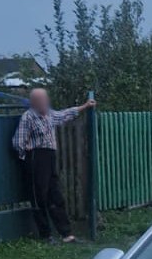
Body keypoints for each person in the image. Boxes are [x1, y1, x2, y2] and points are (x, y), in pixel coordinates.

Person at [13, 88, 96, 243]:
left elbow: (65, 114)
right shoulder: (28, 118)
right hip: (36, 158)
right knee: (39, 197)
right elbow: (18, 142)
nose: (44, 103)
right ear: (34, 102)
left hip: (50, 157)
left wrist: (85, 106)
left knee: (55, 195)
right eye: (40, 100)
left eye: (45, 99)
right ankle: (46, 235)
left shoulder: (50, 114)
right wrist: (28, 155)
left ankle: (66, 234)